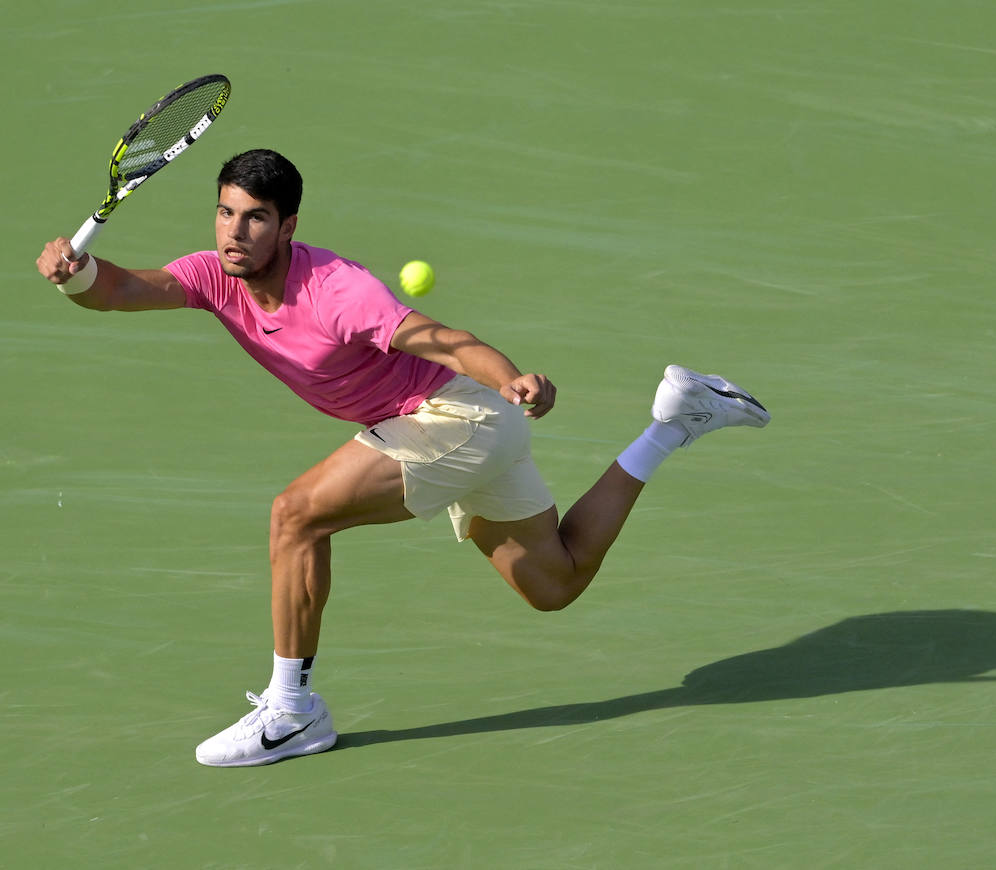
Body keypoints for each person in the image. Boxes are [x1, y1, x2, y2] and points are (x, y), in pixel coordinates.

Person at [35, 149, 770, 767]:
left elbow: (442, 340)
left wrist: (510, 376)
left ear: (288, 226)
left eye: (256, 217)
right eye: (226, 212)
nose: (236, 231)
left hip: (458, 418)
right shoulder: (211, 276)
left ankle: (292, 712)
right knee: (556, 583)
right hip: (458, 430)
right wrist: (76, 275)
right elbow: (126, 290)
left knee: (295, 517)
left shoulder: (338, 291)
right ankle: (676, 422)